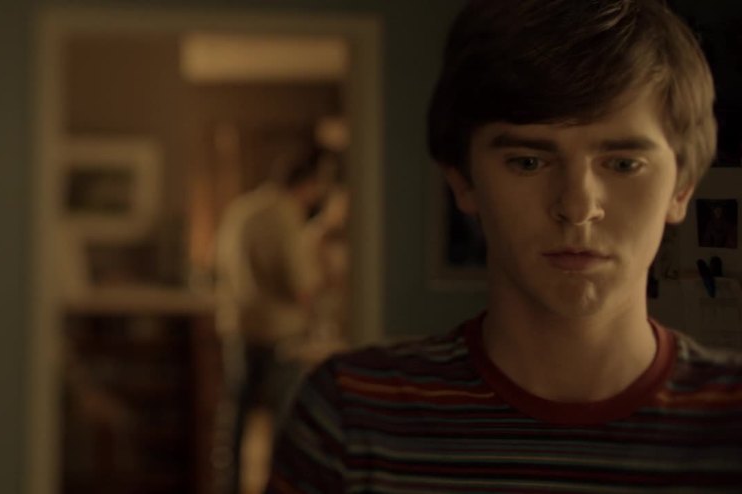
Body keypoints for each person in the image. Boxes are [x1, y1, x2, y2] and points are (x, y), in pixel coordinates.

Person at [265, 1, 742, 493]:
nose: (578, 207)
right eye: (528, 162)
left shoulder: (730, 422)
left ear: (682, 187)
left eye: (623, 165)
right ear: (463, 180)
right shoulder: (352, 415)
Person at [213, 145, 332, 494]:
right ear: (307, 183)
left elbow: (217, 261)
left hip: (239, 325)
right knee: (283, 421)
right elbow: (299, 283)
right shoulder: (285, 215)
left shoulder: (241, 208)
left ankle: (228, 485)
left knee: (236, 415)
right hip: (280, 332)